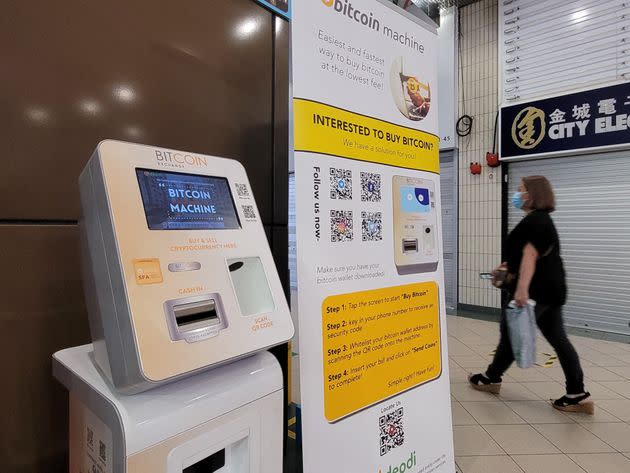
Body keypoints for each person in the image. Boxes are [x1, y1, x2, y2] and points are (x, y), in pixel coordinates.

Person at [468, 175, 593, 414]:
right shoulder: (542, 220)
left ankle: (490, 378)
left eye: (521, 190)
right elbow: (525, 255)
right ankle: (577, 393)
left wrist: (522, 290)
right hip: (552, 291)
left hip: (535, 292)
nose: (518, 194)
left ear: (533, 193)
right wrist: (504, 268)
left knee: (511, 335)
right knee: (559, 340)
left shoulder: (535, 221)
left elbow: (529, 255)